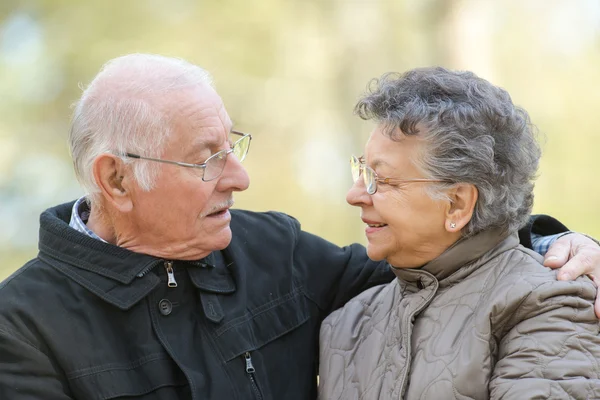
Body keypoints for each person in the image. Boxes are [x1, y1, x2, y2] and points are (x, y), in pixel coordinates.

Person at [0, 55, 596, 400]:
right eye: (207, 158)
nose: (239, 177)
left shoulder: (272, 249)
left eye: (232, 144)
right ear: (118, 180)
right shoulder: (22, 328)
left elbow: (438, 267)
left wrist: (551, 244)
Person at [318, 67, 600, 400]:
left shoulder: (546, 304)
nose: (354, 195)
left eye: (382, 180)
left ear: (457, 204)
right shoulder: (345, 326)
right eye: (361, 170)